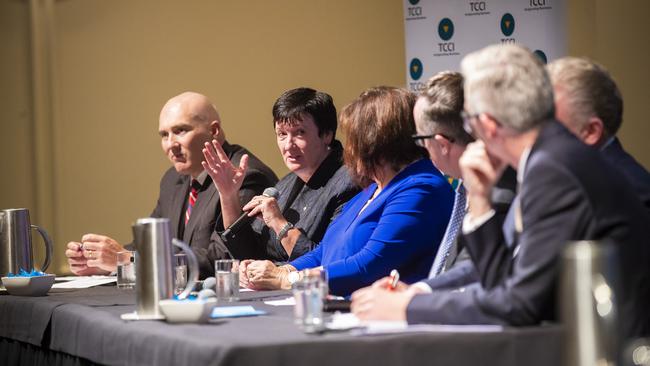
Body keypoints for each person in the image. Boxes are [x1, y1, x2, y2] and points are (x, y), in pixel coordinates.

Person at [351, 45, 650, 339]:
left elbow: (520, 305)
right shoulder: (549, 158)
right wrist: (480, 202)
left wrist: (408, 307)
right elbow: (503, 284)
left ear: (488, 125)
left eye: (469, 122)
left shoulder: (553, 169)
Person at [240, 86, 455, 296]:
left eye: (353, 136)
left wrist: (287, 280)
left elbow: (368, 266)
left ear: (377, 140)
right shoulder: (373, 189)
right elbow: (323, 252)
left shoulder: (420, 188)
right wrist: (283, 270)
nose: (348, 147)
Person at [65, 92, 278, 278]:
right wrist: (101, 261)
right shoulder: (173, 180)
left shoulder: (245, 176)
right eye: (164, 135)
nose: (171, 145)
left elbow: (221, 258)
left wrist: (127, 260)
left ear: (214, 131)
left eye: (180, 131)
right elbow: (149, 243)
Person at [202, 87, 359, 263]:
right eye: (282, 134)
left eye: (300, 132)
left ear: (327, 135)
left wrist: (278, 222)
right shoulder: (286, 183)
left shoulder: (350, 182)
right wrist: (228, 195)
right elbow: (250, 254)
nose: (288, 145)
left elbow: (330, 261)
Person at [411, 71, 516, 290]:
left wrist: (417, 297)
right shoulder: (465, 186)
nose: (423, 150)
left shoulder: (499, 194)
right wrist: (420, 290)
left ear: (442, 144)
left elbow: (475, 271)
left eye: (421, 140)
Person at [547, 57, 650, 211]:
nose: (533, 133)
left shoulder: (631, 191)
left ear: (591, 132)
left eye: (549, 122)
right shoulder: (563, 175)